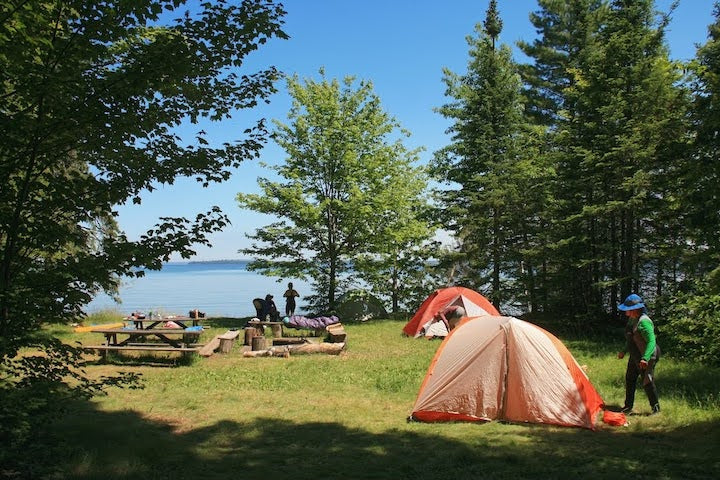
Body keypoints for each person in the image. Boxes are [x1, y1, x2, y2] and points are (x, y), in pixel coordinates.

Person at [617, 293, 661, 415]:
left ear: (634, 309)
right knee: (630, 378)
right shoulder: (633, 320)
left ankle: (656, 409)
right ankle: (628, 406)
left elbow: (652, 341)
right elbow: (631, 339)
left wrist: (645, 358)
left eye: (628, 309)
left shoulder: (644, 322)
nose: (626, 312)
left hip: (647, 355)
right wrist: (624, 351)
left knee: (647, 381)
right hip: (635, 354)